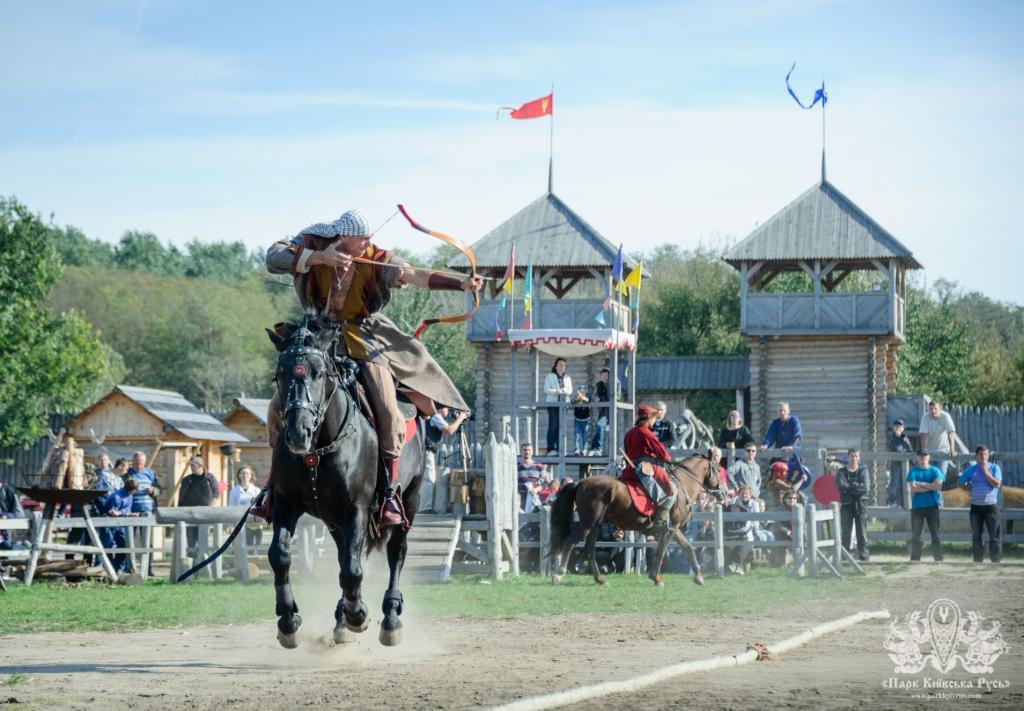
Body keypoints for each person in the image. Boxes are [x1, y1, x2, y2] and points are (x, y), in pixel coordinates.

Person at [266, 209, 483, 527]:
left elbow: (413, 275)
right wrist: (319, 258)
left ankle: (390, 493)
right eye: (362, 238)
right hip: (318, 336)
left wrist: (461, 283)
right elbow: (274, 257)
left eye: (368, 238)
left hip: (364, 335)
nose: (368, 242)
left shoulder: (376, 257)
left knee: (387, 408)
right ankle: (274, 488)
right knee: (279, 407)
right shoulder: (314, 240)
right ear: (343, 236)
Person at [620, 405, 676, 531]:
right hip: (646, 467)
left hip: (630, 469)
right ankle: (659, 524)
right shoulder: (646, 433)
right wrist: (668, 460)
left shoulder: (629, 433)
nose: (655, 420)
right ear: (648, 419)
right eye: (654, 418)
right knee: (671, 492)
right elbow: (663, 454)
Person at [420, 406, 469, 514]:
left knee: (428, 479)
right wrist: (460, 417)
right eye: (447, 408)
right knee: (428, 479)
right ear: (441, 408)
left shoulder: (433, 416)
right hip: (426, 451)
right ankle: (424, 508)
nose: (448, 411)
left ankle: (424, 507)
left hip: (426, 451)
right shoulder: (435, 416)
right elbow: (449, 430)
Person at [958, 445, 1002, 563]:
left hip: (991, 506)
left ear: (988, 456)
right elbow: (960, 482)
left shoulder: (994, 468)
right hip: (976, 507)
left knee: (994, 536)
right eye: (981, 454)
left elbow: (996, 484)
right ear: (976, 456)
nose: (983, 457)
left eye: (985, 455)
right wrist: (971, 488)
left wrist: (985, 471)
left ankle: (995, 560)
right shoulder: (972, 470)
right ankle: (978, 560)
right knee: (976, 535)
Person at [178, 456, 220, 553]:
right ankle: (191, 561)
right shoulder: (187, 480)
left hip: (204, 514)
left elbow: (216, 494)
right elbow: (181, 497)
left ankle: (203, 561)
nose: (191, 467)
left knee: (203, 539)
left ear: (200, 466)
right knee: (191, 540)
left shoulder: (210, 478)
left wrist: (210, 508)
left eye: (193, 465)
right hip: (189, 514)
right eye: (190, 465)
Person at [907, 450, 944, 562]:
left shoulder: (935, 470)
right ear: (917, 458)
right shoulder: (913, 471)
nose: (923, 459)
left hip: (932, 505)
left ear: (929, 457)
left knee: (935, 533)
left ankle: (938, 557)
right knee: (916, 533)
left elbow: (938, 486)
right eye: (921, 456)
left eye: (925, 456)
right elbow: (913, 489)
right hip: (917, 507)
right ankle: (915, 558)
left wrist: (921, 484)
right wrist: (930, 486)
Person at [836, 448, 870, 561]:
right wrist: (855, 486)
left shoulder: (863, 471)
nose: (854, 458)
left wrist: (849, 487)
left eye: (856, 456)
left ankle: (863, 556)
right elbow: (841, 487)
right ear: (848, 457)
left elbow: (865, 488)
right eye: (852, 456)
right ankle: (844, 557)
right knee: (845, 533)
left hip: (861, 505)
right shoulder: (841, 472)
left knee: (862, 533)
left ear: (859, 457)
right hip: (846, 505)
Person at [102, 478, 138, 573]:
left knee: (123, 544)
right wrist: (123, 513)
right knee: (108, 545)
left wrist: (125, 513)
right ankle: (109, 569)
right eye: (135, 490)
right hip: (109, 523)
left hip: (120, 523)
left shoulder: (130, 496)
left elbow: (126, 509)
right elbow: (113, 512)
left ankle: (118, 567)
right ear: (131, 489)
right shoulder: (116, 496)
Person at [919, 399, 957, 477]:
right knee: (929, 475)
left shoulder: (945, 416)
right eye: (931, 409)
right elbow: (923, 434)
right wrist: (924, 451)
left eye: (935, 408)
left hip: (943, 450)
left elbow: (951, 433)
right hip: (929, 451)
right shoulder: (925, 417)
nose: (933, 411)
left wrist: (952, 449)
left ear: (940, 408)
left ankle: (938, 489)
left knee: (941, 475)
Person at [543, 358, 572, 456]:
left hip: (564, 405)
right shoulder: (550, 376)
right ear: (556, 366)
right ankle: (551, 448)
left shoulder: (567, 377)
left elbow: (570, 390)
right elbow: (546, 389)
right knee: (553, 426)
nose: (562, 367)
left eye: (564, 365)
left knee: (562, 427)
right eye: (560, 365)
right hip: (553, 404)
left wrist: (564, 391)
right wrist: (556, 391)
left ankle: (561, 449)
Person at [228, 465, 263, 548]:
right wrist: (230, 525)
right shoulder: (234, 491)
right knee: (240, 547)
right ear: (239, 475)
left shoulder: (256, 490)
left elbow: (261, 507)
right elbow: (230, 508)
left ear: (251, 476)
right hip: (239, 523)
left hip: (254, 524)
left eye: (247, 473)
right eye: (243, 473)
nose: (245, 475)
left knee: (255, 548)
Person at [887, 418, 914, 507]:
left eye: (900, 426)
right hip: (895, 464)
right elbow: (892, 448)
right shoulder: (891, 438)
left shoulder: (906, 439)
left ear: (903, 428)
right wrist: (897, 437)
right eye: (896, 426)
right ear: (893, 428)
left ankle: (907, 502)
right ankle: (893, 502)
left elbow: (910, 451)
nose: (898, 428)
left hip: (906, 464)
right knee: (894, 483)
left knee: (906, 483)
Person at [769, 492, 799, 568]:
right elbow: (778, 525)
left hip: (797, 533)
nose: (792, 500)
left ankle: (797, 562)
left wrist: (794, 532)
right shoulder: (780, 509)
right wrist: (788, 532)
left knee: (798, 539)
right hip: (783, 533)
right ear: (785, 499)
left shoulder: (799, 508)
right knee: (780, 564)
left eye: (794, 498)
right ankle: (782, 560)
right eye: (789, 498)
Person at [588, 368, 613, 456]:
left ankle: (597, 448)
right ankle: (596, 448)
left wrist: (601, 399)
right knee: (599, 427)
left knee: (602, 428)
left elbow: (612, 398)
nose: (606, 378)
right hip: (602, 410)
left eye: (607, 376)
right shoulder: (599, 385)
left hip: (610, 411)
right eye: (604, 376)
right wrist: (597, 400)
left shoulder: (613, 384)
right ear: (601, 376)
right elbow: (596, 396)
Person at [517, 443, 547, 513]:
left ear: (532, 452)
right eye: (525, 450)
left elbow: (545, 483)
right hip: (520, 499)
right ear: (521, 451)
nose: (527, 452)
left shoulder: (539, 466)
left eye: (529, 450)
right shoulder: (516, 466)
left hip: (534, 498)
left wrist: (536, 490)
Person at [1, 477, 26, 550]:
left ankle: (9, 550)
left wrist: (10, 515)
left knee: (6, 535)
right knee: (4, 540)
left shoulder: (5, 488)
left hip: (6, 515)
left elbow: (13, 503)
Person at [570, 385, 591, 456]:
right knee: (576, 435)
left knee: (585, 435)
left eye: (583, 390)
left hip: (585, 420)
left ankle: (585, 449)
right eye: (580, 390)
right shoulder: (577, 397)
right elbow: (572, 401)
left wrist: (584, 398)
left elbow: (589, 401)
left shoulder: (587, 397)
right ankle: (576, 449)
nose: (582, 392)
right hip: (577, 419)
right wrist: (577, 399)